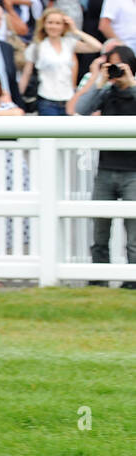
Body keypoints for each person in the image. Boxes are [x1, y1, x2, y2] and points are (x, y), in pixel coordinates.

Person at [72, 44, 136, 286]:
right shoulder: (106, 92)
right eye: (111, 66)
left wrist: (130, 83)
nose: (116, 71)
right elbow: (80, 109)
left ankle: (132, 281)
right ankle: (98, 280)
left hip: (133, 171)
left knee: (134, 235)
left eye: (120, 66)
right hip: (106, 169)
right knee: (100, 230)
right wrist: (99, 81)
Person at [20, 7, 102, 116]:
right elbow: (27, 73)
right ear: (44, 24)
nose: (54, 26)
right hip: (46, 99)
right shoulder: (37, 47)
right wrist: (19, 97)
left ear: (63, 26)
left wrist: (75, 30)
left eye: (58, 23)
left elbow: (97, 47)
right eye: (50, 22)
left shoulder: (69, 43)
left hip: (68, 99)